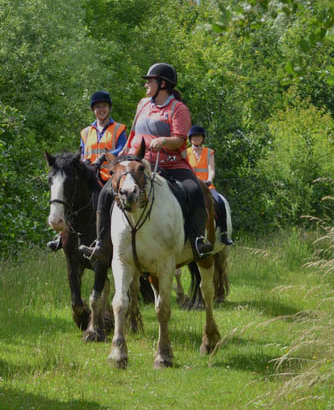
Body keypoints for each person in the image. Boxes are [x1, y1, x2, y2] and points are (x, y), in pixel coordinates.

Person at [81, 63, 215, 262]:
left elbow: (179, 139)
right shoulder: (143, 104)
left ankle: (197, 240)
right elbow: (134, 132)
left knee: (194, 189)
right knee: (105, 192)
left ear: (162, 84)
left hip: (171, 164)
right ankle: (101, 244)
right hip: (138, 163)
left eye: (150, 81)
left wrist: (163, 141)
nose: (146, 85)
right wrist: (125, 152)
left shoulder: (179, 109)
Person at [47, 90, 127, 251]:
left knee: (105, 201)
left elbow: (122, 149)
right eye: (97, 107)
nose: (101, 109)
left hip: (109, 176)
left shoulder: (118, 129)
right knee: (72, 195)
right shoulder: (85, 132)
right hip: (89, 175)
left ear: (109, 108)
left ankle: (109, 237)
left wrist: (104, 157)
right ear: (93, 110)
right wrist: (85, 163)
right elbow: (82, 153)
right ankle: (62, 235)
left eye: (104, 106)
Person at [187, 125, 233, 245]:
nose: (196, 138)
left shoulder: (209, 152)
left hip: (207, 186)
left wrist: (209, 180)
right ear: (190, 138)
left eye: (199, 136)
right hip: (192, 186)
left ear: (203, 138)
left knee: (220, 202)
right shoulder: (186, 153)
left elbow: (211, 169)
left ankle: (224, 233)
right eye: (194, 136)